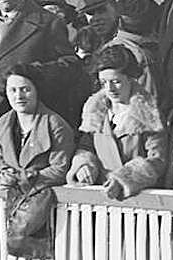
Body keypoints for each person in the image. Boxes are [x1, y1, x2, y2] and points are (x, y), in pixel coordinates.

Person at [0, 65, 74, 258]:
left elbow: (60, 168)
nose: (19, 96)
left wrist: (25, 177)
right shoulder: (2, 124)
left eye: (25, 89)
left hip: (44, 205)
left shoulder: (54, 124)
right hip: (12, 202)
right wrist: (1, 173)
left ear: (36, 90)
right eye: (13, 90)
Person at [69, 45, 167, 199]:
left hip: (139, 201)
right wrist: (84, 166)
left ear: (131, 78)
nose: (110, 89)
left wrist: (123, 179)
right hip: (102, 198)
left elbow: (157, 160)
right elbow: (87, 146)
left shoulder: (148, 114)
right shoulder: (95, 112)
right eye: (103, 83)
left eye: (116, 82)